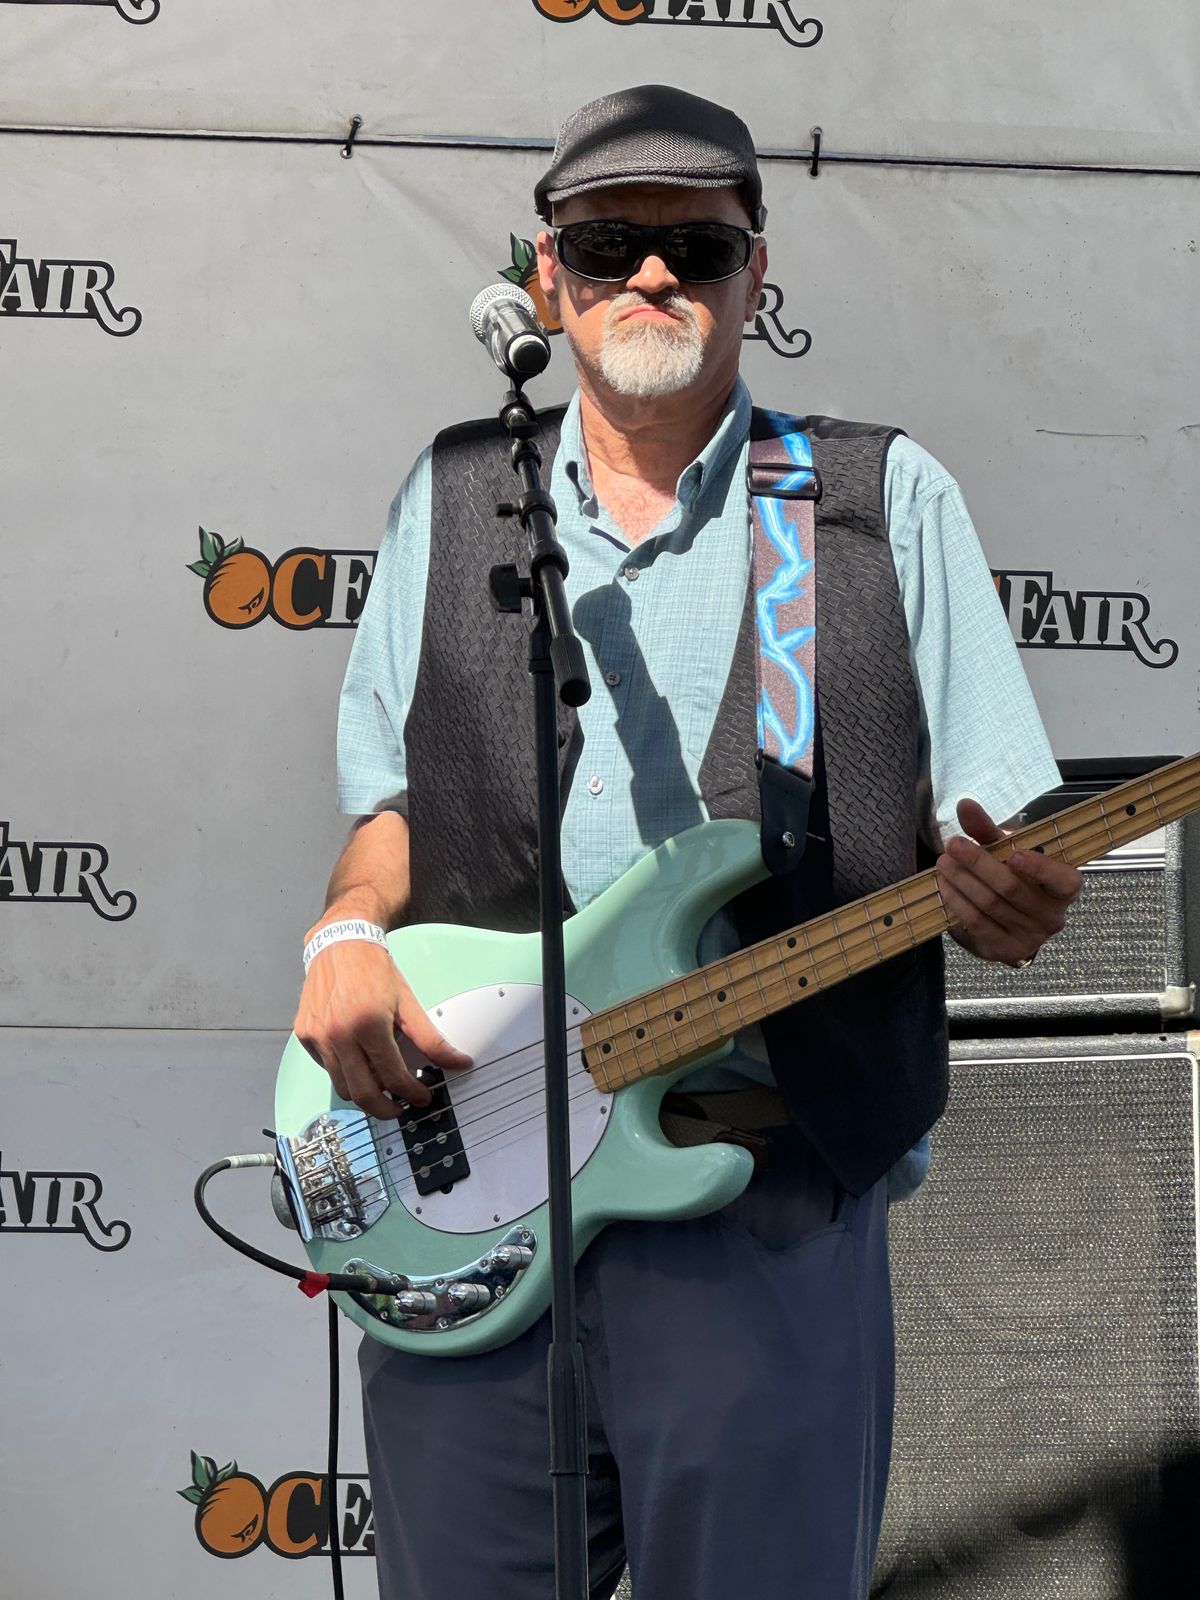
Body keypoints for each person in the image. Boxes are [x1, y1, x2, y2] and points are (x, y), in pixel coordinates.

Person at [294, 84, 1083, 1600]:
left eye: (698, 246)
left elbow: (1005, 834)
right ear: (548, 278)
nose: (652, 273)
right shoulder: (455, 495)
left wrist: (1014, 896)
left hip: (759, 1196)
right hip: (471, 1188)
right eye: (609, 244)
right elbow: (390, 815)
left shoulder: (872, 501)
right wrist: (342, 934)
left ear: (755, 274)